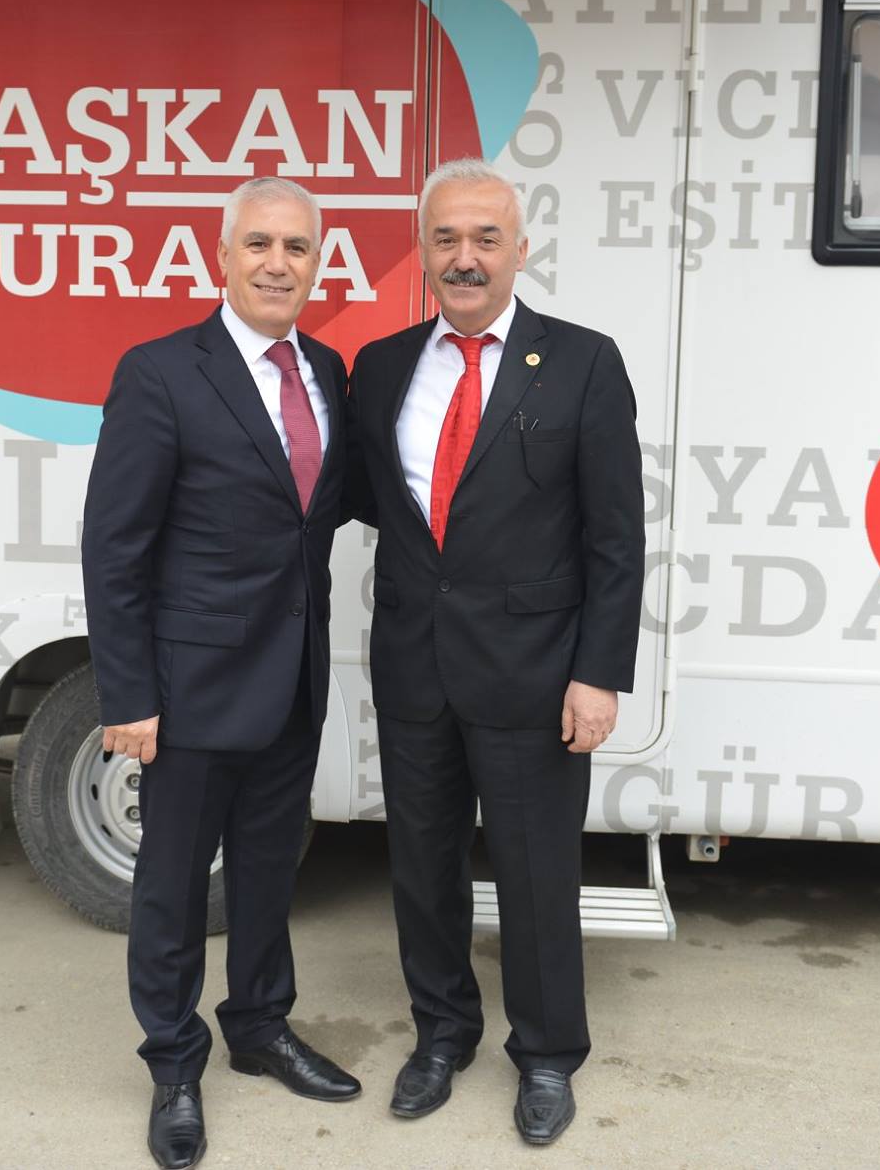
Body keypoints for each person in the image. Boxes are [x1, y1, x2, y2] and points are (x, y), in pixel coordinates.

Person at [346, 156, 643, 1146]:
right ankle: (441, 1036)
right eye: (446, 238)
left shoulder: (583, 362)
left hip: (536, 675)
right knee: (421, 868)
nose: (464, 257)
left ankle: (548, 1053)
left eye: (485, 238)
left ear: (520, 250)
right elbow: (365, 501)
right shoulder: (382, 365)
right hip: (414, 666)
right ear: (423, 252)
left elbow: (614, 536)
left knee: (534, 874)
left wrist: (597, 674)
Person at [80, 177, 362, 1169]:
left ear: (316, 262)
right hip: (191, 689)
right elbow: (114, 546)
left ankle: (260, 1026)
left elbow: (329, 508)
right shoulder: (161, 372)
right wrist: (129, 697)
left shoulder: (325, 370)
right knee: (171, 887)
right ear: (223, 256)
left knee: (268, 872)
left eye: (297, 247)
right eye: (259, 244)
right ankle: (172, 1065)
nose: (278, 263)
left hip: (293, 679)